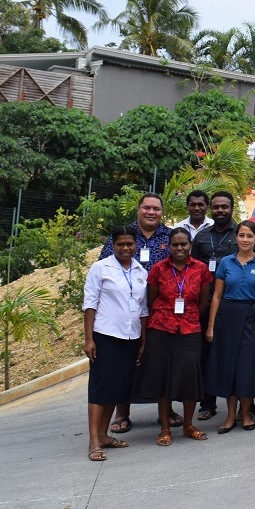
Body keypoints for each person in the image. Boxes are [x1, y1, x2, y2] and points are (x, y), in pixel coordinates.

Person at [98, 193, 171, 434]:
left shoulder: (170, 236)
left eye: (156, 209)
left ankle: (167, 411)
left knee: (162, 361)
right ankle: (122, 413)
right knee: (127, 361)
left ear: (162, 212)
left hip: (162, 310)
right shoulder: (123, 235)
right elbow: (105, 267)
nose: (151, 212)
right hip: (127, 310)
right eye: (147, 208)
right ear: (138, 209)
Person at [136, 228, 215, 445]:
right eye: (175, 245)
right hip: (161, 330)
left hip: (190, 330)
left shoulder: (201, 269)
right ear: (169, 246)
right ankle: (164, 428)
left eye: (183, 244)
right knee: (164, 379)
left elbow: (203, 302)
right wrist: (167, 317)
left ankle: (188, 425)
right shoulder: (158, 269)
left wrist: (189, 317)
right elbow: (151, 301)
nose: (179, 248)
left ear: (190, 245)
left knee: (189, 378)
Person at [82, 225, 148, 461]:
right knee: (100, 389)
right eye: (120, 244)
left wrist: (142, 341)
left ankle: (104, 435)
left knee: (117, 388)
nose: (125, 248)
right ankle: (93, 441)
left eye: (129, 243)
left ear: (136, 244)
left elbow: (143, 309)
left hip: (130, 337)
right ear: (113, 244)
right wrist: (89, 338)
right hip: (106, 336)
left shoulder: (141, 271)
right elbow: (90, 304)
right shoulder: (101, 268)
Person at [205, 221, 255, 434]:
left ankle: (245, 414)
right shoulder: (226, 262)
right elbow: (216, 296)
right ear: (236, 237)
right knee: (228, 367)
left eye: (249, 236)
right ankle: (229, 416)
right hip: (227, 317)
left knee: (246, 367)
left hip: (252, 317)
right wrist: (210, 326)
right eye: (241, 235)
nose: (245, 240)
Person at [190, 190, 238, 420]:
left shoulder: (241, 234)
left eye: (224, 207)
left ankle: (240, 402)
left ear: (231, 208)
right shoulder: (201, 237)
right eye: (216, 207)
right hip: (204, 304)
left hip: (232, 304)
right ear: (211, 209)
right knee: (205, 354)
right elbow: (192, 272)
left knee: (232, 354)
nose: (220, 210)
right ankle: (207, 404)